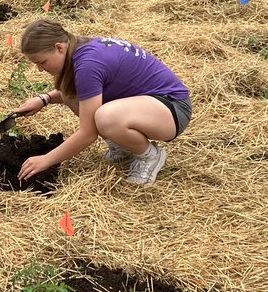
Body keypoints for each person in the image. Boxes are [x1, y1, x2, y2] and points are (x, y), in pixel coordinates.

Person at [13, 20, 191, 187]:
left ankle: (149, 156)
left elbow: (88, 134)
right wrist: (45, 99)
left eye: (42, 62)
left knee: (106, 118)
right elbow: (73, 93)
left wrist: (46, 159)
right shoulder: (80, 48)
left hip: (172, 108)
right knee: (70, 92)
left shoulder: (88, 64)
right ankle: (123, 147)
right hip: (148, 106)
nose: (40, 69)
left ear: (59, 47)